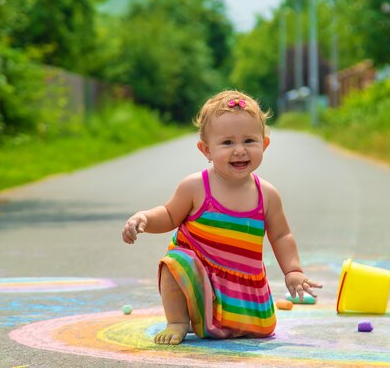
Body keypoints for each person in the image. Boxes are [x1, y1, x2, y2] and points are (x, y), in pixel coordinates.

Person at [122, 90, 322, 345]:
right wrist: (145, 219)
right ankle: (178, 321)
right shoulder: (196, 187)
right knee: (173, 263)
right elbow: (170, 214)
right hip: (198, 280)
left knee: (256, 331)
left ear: (265, 144)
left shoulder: (267, 194)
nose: (239, 150)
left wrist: (293, 270)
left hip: (243, 290)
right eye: (227, 143)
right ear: (206, 150)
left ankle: (227, 319)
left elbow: (281, 235)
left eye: (249, 140)